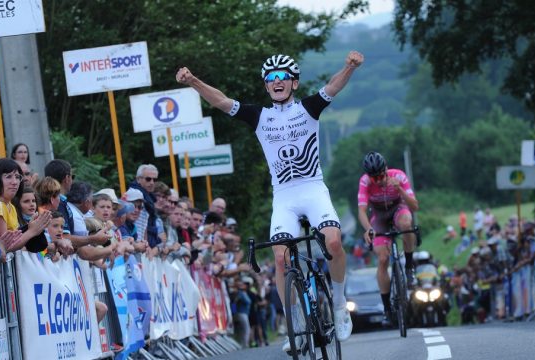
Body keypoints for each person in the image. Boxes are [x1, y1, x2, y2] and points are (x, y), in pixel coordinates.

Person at [177, 51, 364, 345]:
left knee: (334, 241)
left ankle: (340, 305)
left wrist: (349, 67)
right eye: (271, 78)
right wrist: (193, 82)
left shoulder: (308, 109)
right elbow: (221, 101)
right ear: (266, 86)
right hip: (285, 196)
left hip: (313, 187)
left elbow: (333, 86)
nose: (277, 82)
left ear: (294, 84)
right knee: (280, 258)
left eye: (283, 77)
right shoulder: (259, 116)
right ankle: (296, 321)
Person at [357, 151, 419, 324]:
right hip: (378, 216)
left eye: (381, 176)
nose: (378, 180)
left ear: (386, 169)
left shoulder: (398, 175)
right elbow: (362, 210)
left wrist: (399, 188)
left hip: (398, 209)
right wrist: (368, 228)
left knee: (407, 225)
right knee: (383, 259)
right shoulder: (365, 181)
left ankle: (408, 265)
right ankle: (386, 307)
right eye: (373, 178)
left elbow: (414, 206)